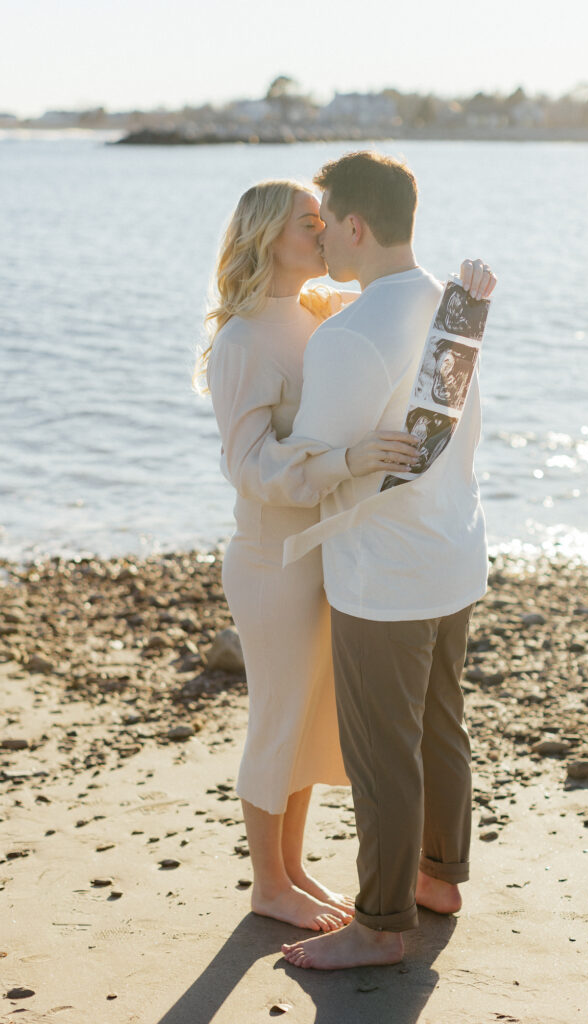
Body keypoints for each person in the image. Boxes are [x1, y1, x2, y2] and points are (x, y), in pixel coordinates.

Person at [222, 151, 496, 971]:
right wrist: (474, 290)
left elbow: (320, 458)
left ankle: (380, 927)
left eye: (323, 219)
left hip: (386, 571)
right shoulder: (449, 305)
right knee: (440, 728)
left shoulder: (345, 333)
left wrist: (343, 461)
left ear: (352, 225)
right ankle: (437, 878)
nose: (319, 234)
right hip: (451, 551)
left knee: (383, 753)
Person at [194, 180, 420, 933]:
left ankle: (291, 868)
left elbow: (389, 321)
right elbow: (250, 467)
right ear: (266, 237)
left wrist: (456, 309)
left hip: (321, 551)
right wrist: (348, 460)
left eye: (325, 222)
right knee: (277, 720)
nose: (323, 234)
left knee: (309, 720)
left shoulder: (317, 314)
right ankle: (267, 885)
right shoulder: (241, 339)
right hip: (270, 560)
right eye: (307, 224)